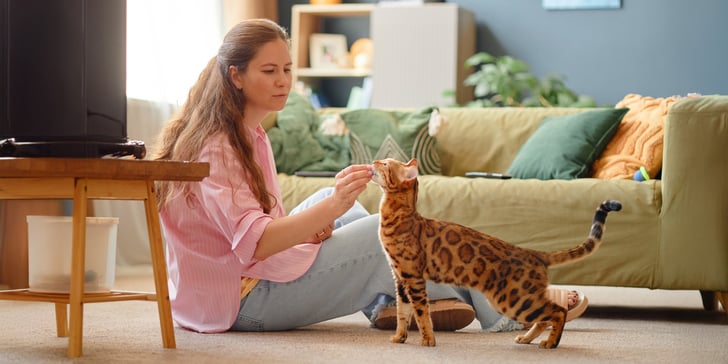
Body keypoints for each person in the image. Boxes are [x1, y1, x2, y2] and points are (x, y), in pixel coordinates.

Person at [152, 18, 588, 334]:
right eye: (270, 71)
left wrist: (324, 216)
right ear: (236, 76)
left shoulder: (246, 132)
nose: (284, 80)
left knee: (341, 204)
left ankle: (388, 303)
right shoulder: (219, 146)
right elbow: (258, 242)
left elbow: (259, 231)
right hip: (242, 301)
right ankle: (509, 308)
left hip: (233, 283)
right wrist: (333, 208)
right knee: (395, 233)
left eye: (287, 69)